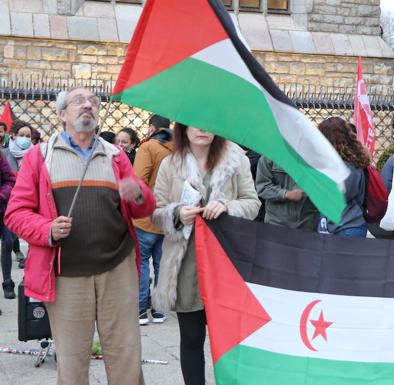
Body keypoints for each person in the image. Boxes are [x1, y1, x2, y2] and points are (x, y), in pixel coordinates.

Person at [5, 87, 155, 385]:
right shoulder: (40, 156)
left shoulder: (116, 156)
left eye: (93, 102)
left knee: (126, 355)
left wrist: (138, 194)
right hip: (66, 275)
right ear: (62, 114)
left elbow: (144, 209)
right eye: (78, 101)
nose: (88, 105)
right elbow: (15, 213)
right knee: (72, 361)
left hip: (117, 269)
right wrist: (46, 229)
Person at [152, 123, 260, 385]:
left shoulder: (236, 160)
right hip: (186, 262)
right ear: (183, 128)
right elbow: (155, 212)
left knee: (232, 341)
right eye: (195, 123)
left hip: (227, 263)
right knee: (191, 338)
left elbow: (253, 203)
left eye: (209, 123)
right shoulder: (170, 164)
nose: (203, 129)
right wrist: (177, 213)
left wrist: (226, 206)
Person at [132, 114, 173, 325]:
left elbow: (138, 180)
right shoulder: (179, 150)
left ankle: (140, 310)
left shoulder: (148, 148)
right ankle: (159, 310)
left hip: (146, 217)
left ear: (151, 128)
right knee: (162, 265)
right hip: (169, 218)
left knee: (142, 264)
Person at [318, 117, 369, 238]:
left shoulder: (348, 164)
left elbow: (343, 194)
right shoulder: (349, 159)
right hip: (346, 224)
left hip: (347, 226)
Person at [256, 155, 319, 231]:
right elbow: (262, 187)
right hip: (276, 223)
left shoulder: (317, 158)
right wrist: (286, 194)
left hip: (309, 224)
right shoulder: (269, 155)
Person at [5, 120, 33, 268]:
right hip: (8, 199)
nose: (25, 139)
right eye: (22, 135)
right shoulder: (5, 154)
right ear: (13, 136)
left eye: (28, 136)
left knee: (31, 230)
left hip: (30, 199)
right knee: (10, 232)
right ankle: (17, 253)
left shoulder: (36, 154)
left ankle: (28, 257)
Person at [0, 152, 16, 299]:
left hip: (2, 208)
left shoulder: (1, 157)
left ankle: (7, 281)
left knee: (9, 242)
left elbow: (10, 180)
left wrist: (2, 195)